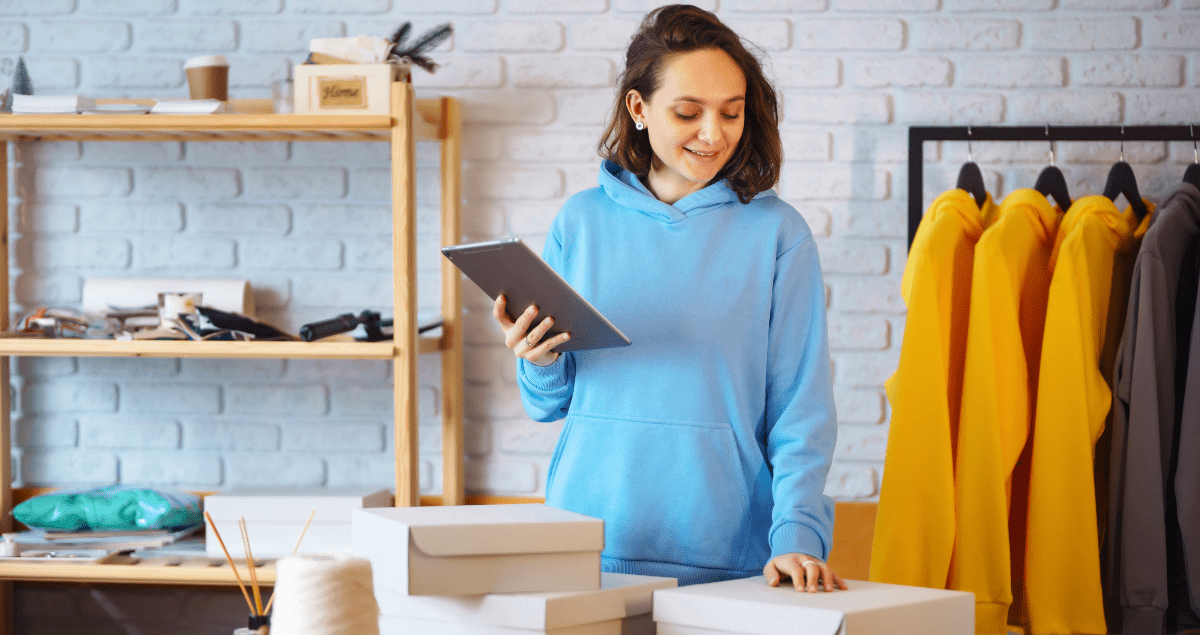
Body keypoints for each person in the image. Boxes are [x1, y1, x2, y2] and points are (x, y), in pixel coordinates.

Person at [491, 5, 845, 593]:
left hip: (727, 557)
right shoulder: (580, 222)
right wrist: (539, 359)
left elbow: (801, 413)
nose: (714, 134)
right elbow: (548, 406)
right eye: (688, 112)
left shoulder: (778, 235)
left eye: (731, 113)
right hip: (584, 547)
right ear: (639, 108)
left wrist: (798, 538)